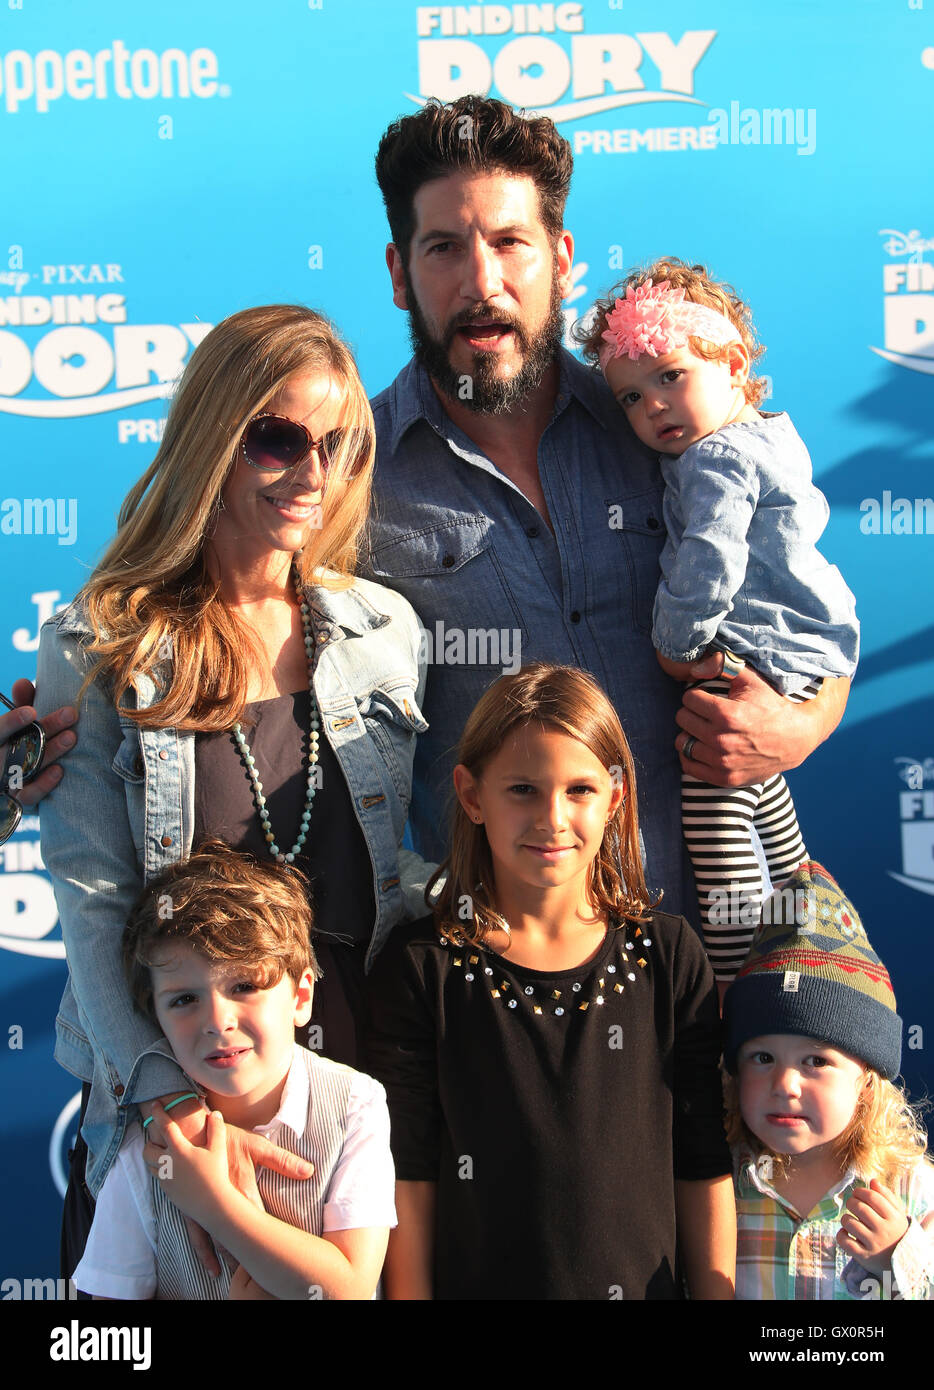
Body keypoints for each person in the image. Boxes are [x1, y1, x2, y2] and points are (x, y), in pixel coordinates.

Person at [363, 95, 849, 920]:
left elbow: (803, 611)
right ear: (401, 274)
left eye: (511, 242)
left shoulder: (669, 428)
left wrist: (802, 723)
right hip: (503, 981)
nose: (483, 283)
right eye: (445, 247)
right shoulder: (350, 475)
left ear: (560, 256)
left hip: (712, 957)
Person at [35, 304, 429, 1277]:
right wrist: (169, 1108)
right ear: (215, 437)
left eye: (335, 444)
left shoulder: (383, 630)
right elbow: (93, 903)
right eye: (277, 439)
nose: (310, 474)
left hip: (343, 1086)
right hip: (175, 1072)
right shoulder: (100, 642)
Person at [366, 663, 735, 1300]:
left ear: (615, 796)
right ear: (472, 795)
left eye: (580, 790)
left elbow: (702, 1163)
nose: (553, 818)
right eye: (523, 790)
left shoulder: (670, 957)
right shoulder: (422, 966)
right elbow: (409, 1176)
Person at [583, 259, 859, 981]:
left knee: (715, 803)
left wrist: (679, 645)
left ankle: (740, 974)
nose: (654, 408)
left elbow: (708, 557)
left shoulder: (716, 460)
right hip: (804, 651)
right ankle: (806, 930)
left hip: (753, 652)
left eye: (672, 376)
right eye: (633, 397)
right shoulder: (770, 434)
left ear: (733, 363)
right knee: (765, 803)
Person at [74, 842, 394, 1300]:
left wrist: (215, 1205)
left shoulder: (355, 1106)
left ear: (301, 997)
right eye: (184, 999)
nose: (217, 1021)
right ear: (154, 1018)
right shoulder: (146, 1150)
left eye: (244, 986)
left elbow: (348, 1290)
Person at [722, 862, 934, 1300]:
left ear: (867, 1082)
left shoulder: (909, 1188)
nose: (785, 1083)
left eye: (815, 1061)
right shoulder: (720, 1182)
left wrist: (899, 1255)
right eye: (762, 1057)